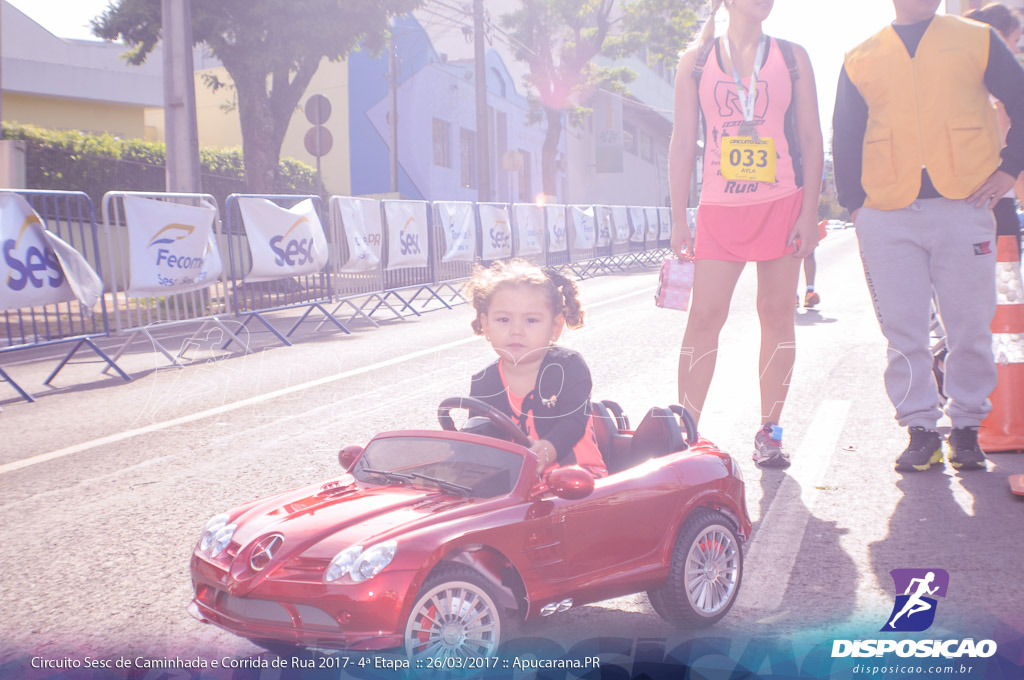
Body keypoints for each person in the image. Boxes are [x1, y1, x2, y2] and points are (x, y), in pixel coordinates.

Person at [832, 0, 1024, 472]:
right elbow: (845, 132)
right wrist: (856, 204)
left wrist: (1009, 170)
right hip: (887, 213)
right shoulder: (861, 55)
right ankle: (921, 430)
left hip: (967, 204)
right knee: (903, 330)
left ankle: (965, 429)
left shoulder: (977, 39)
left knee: (969, 325)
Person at [668, 0, 823, 468]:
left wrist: (809, 211)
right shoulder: (695, 62)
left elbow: (812, 137)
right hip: (720, 207)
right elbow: (682, 141)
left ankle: (770, 432)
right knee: (703, 318)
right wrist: (679, 217)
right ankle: (686, 432)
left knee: (776, 313)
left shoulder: (792, 57)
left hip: (782, 203)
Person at [465, 259, 608, 478]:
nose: (516, 330)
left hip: (580, 481)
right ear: (486, 325)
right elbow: (480, 437)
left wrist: (546, 452)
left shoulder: (568, 367)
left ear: (555, 328)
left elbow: (573, 422)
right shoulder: (484, 382)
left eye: (531, 320)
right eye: (503, 319)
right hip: (517, 484)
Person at [965, 2, 1024, 262]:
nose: (1016, 49)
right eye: (1015, 40)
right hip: (994, 202)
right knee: (1003, 291)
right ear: (998, 38)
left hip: (973, 202)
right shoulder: (998, 99)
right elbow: (1008, 154)